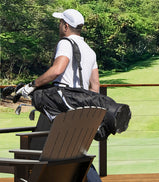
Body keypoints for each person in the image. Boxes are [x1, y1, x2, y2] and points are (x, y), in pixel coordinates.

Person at [16, 9, 102, 182]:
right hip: (81, 108)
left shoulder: (66, 43)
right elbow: (95, 86)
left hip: (59, 107)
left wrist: (30, 86)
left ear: (66, 26)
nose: (59, 25)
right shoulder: (89, 51)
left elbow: (57, 70)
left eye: (60, 22)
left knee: (42, 152)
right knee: (76, 153)